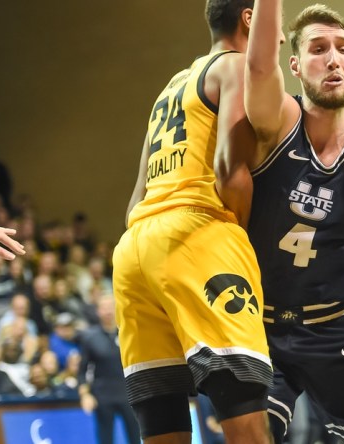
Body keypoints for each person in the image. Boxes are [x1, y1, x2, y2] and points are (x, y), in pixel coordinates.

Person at [111, 1, 273, 442]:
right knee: (246, 417)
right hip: (196, 233)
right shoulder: (236, 66)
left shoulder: (173, 85)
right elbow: (229, 170)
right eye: (272, 26)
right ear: (249, 18)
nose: (277, 38)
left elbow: (135, 197)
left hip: (134, 250)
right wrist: (236, 227)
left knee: (161, 421)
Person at [243, 1, 344, 442]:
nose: (332, 58)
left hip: (337, 329)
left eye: (342, 48)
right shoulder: (275, 124)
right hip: (260, 326)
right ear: (293, 65)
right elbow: (257, 70)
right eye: (317, 48)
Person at [78, 296, 141, 444]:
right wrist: (85, 395)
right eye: (103, 307)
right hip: (102, 396)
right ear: (98, 311)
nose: (107, 311)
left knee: (135, 437)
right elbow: (82, 371)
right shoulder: (90, 338)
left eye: (110, 306)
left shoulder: (128, 332)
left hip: (129, 395)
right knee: (105, 438)